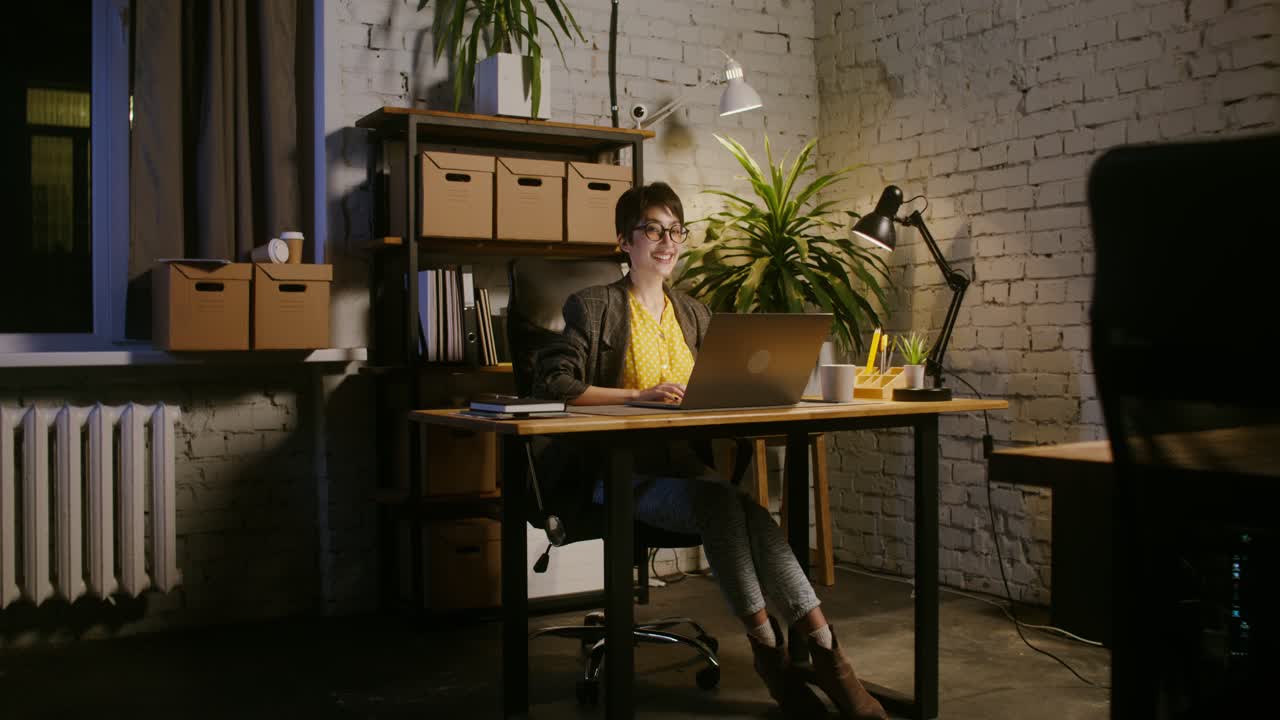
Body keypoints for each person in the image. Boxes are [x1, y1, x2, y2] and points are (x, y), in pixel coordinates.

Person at [532, 182, 888, 720]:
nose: (667, 240)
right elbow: (555, 382)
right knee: (724, 505)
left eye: (675, 230)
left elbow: (715, 388)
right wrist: (638, 396)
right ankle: (773, 652)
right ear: (623, 241)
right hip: (621, 474)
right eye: (653, 228)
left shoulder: (693, 314)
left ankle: (824, 654)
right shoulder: (594, 305)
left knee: (749, 512)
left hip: (684, 468)